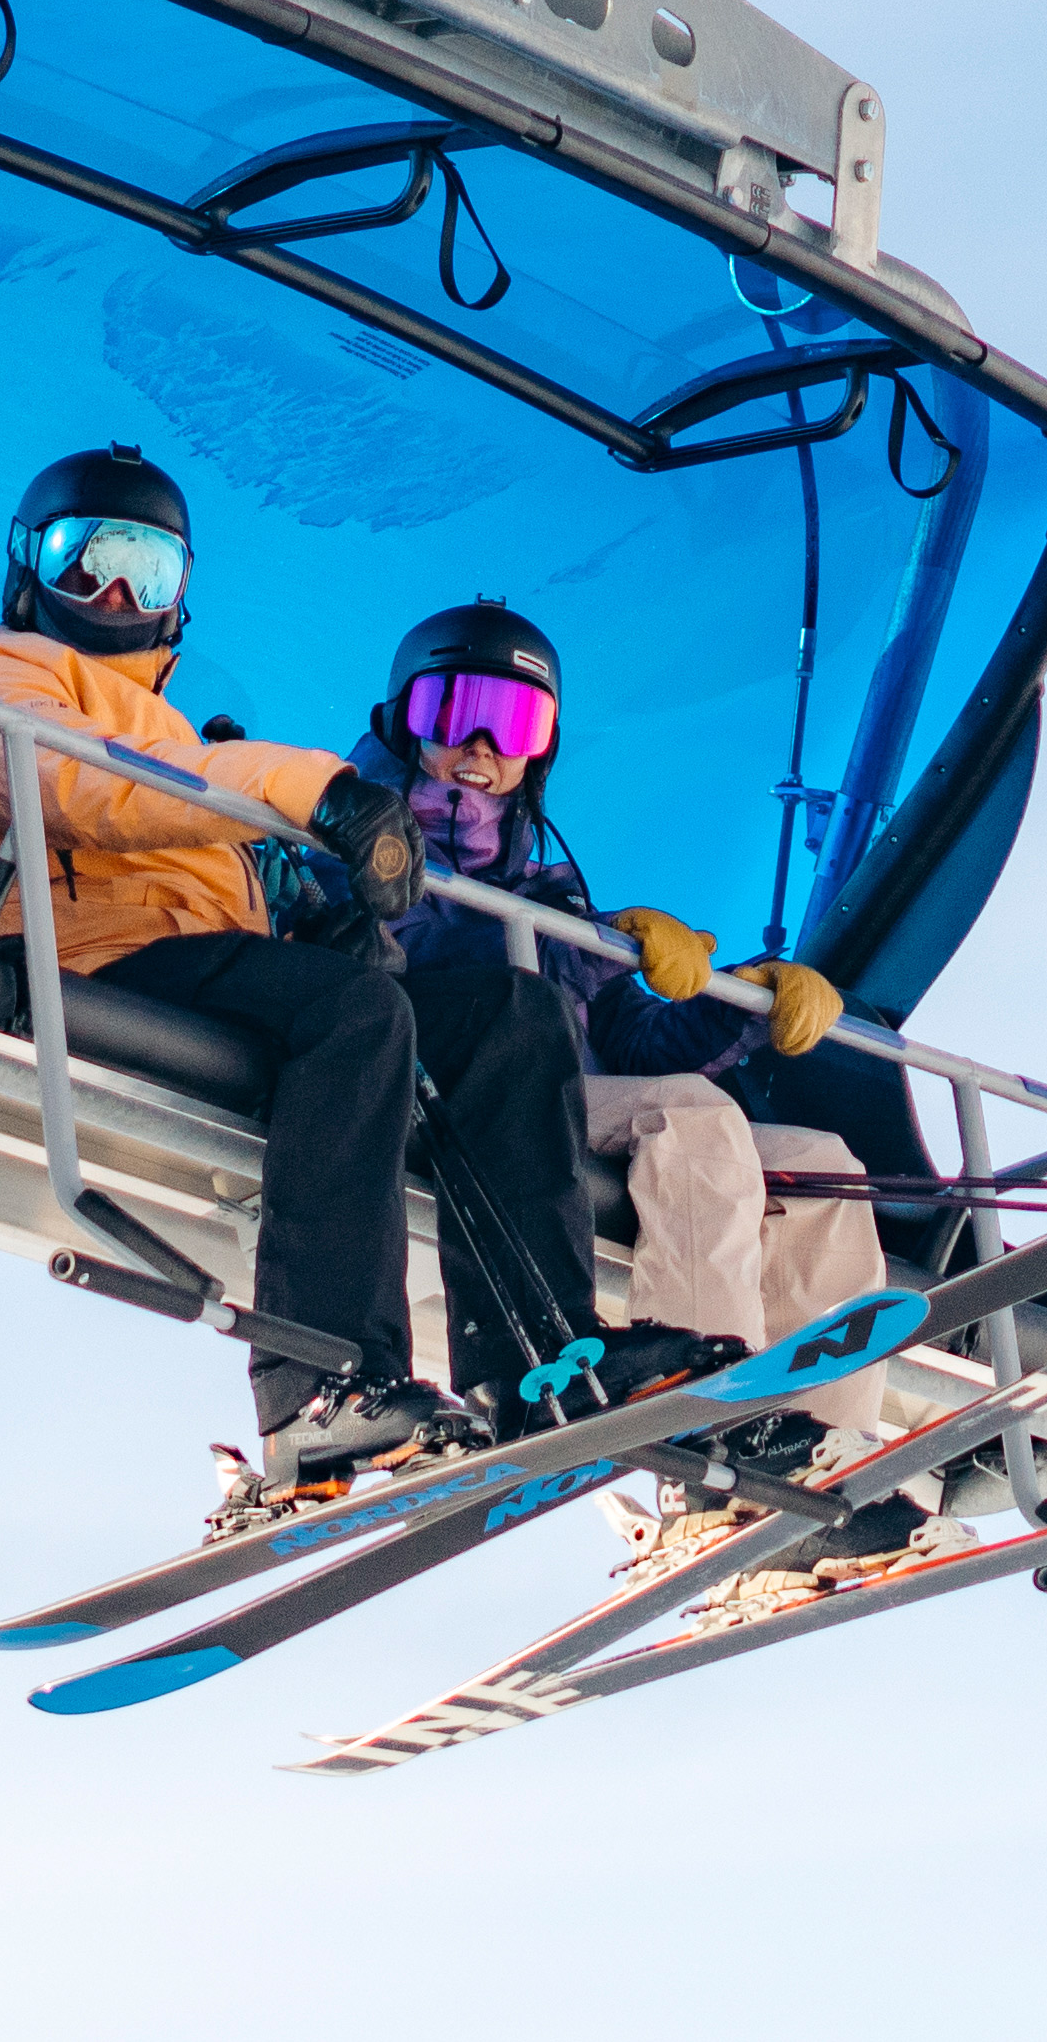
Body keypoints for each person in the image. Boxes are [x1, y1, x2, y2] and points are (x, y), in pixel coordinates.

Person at [0, 447, 596, 1514]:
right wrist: (318, 792)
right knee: (353, 1018)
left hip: (189, 952)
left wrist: (315, 901)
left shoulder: (174, 730)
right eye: (85, 560)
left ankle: (541, 1362)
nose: (117, 594)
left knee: (514, 1011)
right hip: (83, 953)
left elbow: (183, 819)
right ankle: (318, 1384)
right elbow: (80, 788)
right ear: (26, 567)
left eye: (148, 570)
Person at [349, 598, 960, 1599]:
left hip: (574, 1098)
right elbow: (393, 966)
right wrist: (569, 946)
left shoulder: (543, 878)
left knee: (823, 1170)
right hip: (460, 1096)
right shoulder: (362, 833)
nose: (479, 747)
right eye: (456, 708)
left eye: (515, 724)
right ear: (405, 715)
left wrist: (743, 1003)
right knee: (691, 1118)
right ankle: (707, 1439)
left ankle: (824, 1445)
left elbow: (629, 1040)